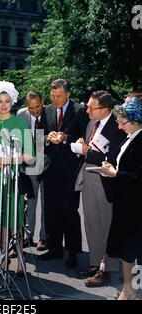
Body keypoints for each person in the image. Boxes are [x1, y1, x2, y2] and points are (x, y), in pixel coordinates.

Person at [75, 91, 125, 286]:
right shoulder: (91, 123)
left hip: (105, 182)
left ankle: (107, 268)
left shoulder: (117, 126)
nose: (87, 110)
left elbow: (112, 159)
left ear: (104, 109)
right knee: (91, 223)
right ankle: (95, 263)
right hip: (89, 178)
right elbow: (92, 149)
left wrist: (88, 152)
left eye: (91, 107)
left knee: (106, 225)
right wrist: (83, 146)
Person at [0, 81, 34, 275]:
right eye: (0, 101)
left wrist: (11, 159)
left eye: (7, 101)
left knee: (16, 220)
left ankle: (21, 262)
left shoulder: (20, 123)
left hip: (14, 176)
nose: (3, 105)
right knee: (2, 220)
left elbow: (30, 155)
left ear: (12, 101)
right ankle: (4, 260)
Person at [40, 79, 86, 268]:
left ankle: (73, 251)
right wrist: (47, 138)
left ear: (68, 94)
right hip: (50, 168)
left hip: (71, 169)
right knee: (51, 210)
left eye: (58, 96)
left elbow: (85, 137)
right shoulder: (47, 109)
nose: (55, 99)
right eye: (52, 96)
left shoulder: (80, 110)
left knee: (69, 210)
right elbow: (38, 134)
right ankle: (54, 248)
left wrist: (66, 138)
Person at [101, 97, 142, 300]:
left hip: (136, 206)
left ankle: (133, 289)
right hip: (125, 203)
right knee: (127, 251)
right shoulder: (130, 137)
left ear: (134, 120)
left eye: (121, 122)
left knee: (135, 251)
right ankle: (130, 289)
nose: (118, 125)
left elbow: (138, 176)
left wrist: (116, 174)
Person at [16, 91, 49, 251]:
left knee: (47, 202)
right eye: (31, 108)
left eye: (38, 107)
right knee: (30, 201)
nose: (35, 111)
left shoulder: (50, 113)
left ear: (43, 102)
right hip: (30, 164)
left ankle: (44, 238)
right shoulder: (21, 115)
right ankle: (28, 237)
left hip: (49, 164)